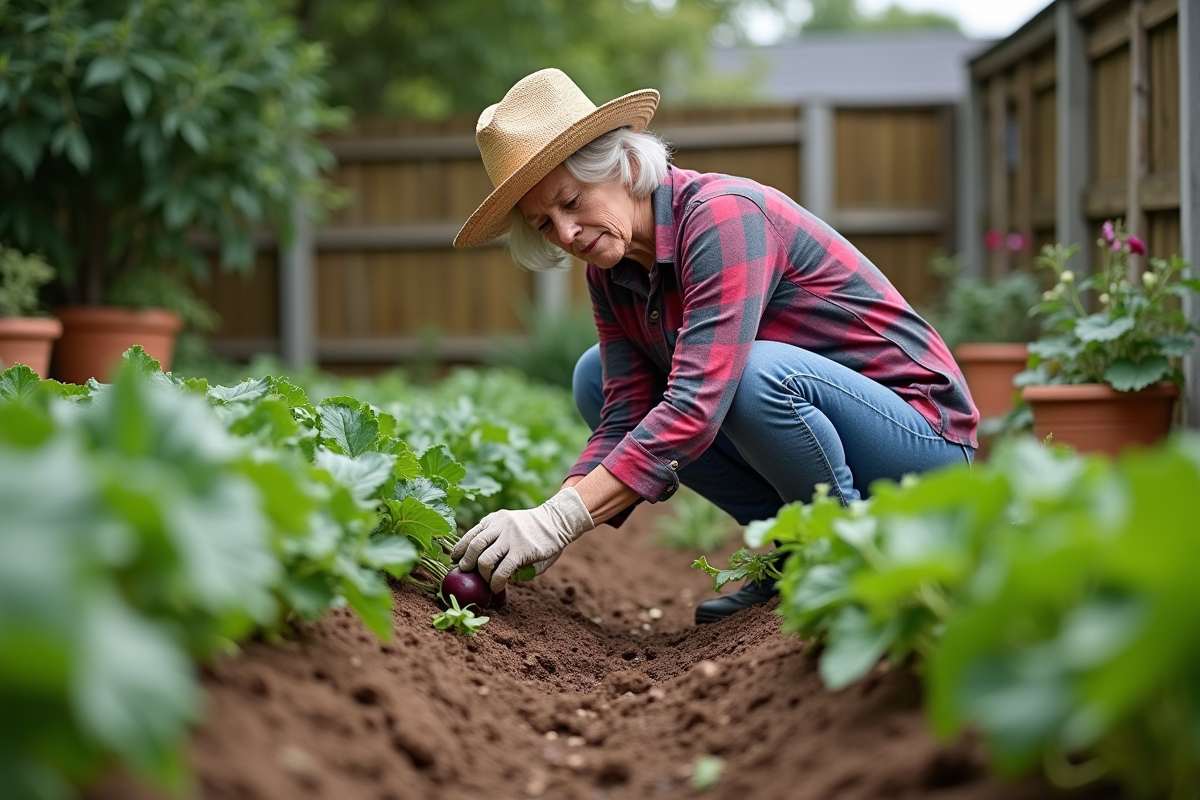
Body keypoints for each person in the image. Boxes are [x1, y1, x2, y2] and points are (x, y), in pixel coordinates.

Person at [450, 69, 977, 623]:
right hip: (832, 437)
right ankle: (796, 551)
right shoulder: (613, 270)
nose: (566, 234)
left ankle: (845, 555)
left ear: (625, 167)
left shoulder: (724, 217)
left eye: (571, 201)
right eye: (544, 223)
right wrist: (554, 514)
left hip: (921, 439)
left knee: (752, 376)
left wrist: (565, 517)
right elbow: (625, 411)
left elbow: (697, 405)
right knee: (594, 379)